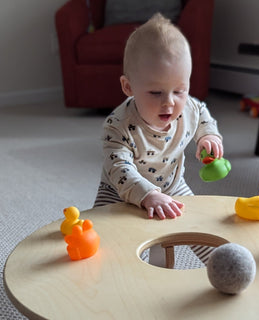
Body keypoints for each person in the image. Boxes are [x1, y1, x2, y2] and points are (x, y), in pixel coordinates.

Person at [94, 13, 224, 225]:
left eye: (180, 91)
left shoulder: (189, 108)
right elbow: (119, 168)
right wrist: (147, 195)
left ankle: (219, 258)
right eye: (156, 93)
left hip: (173, 186)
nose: (169, 103)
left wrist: (208, 137)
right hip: (120, 190)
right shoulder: (118, 126)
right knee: (103, 234)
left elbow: (201, 114)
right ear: (128, 87)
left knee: (200, 226)